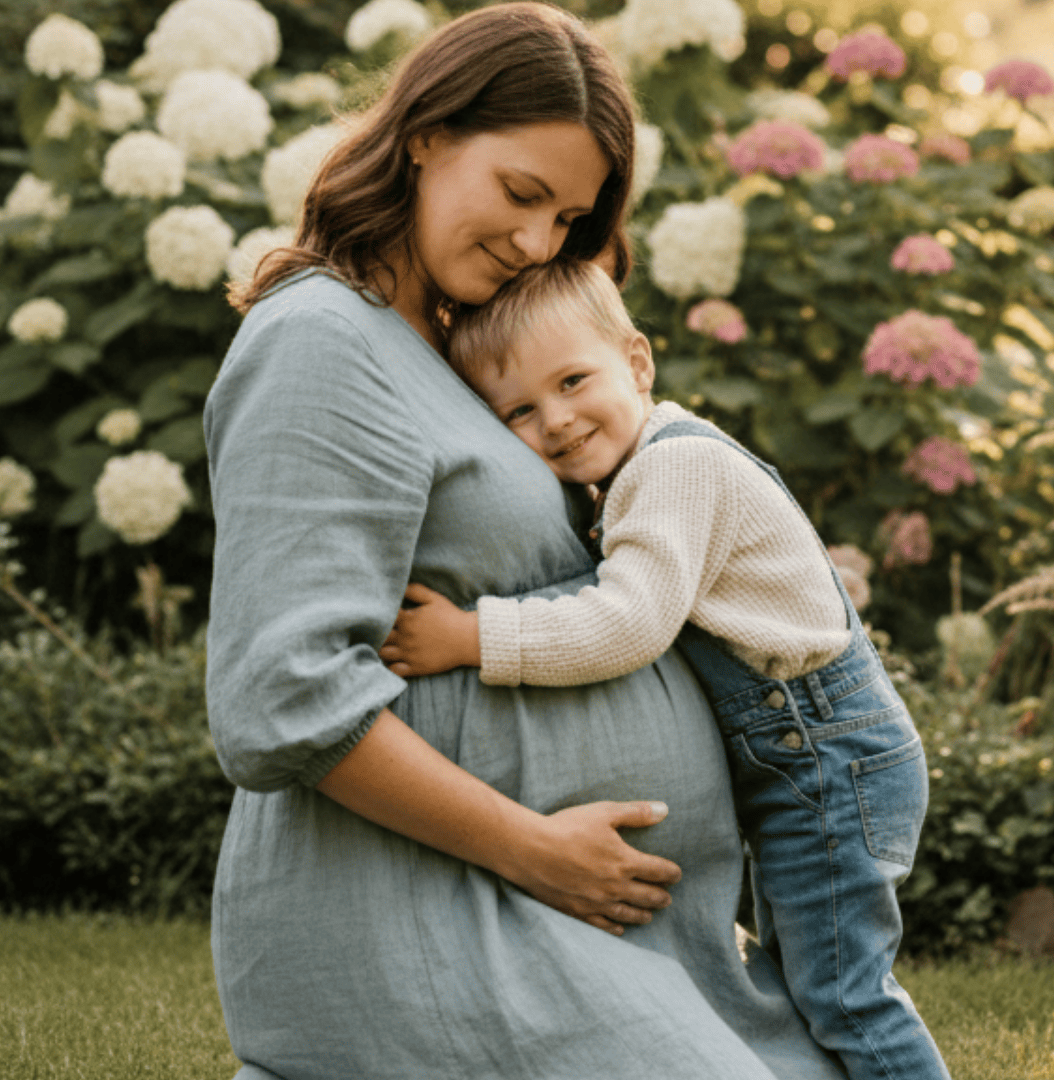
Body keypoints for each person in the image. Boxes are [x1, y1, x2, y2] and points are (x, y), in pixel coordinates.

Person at [203, 5, 847, 1078]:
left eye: (569, 220)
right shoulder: (319, 343)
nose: (538, 242)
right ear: (426, 134)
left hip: (590, 923)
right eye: (520, 193)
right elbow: (281, 700)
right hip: (441, 911)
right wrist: (533, 850)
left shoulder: (452, 346)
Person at [380, 260, 950, 1080]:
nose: (559, 420)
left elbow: (627, 623)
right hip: (806, 759)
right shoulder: (636, 466)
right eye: (520, 411)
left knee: (846, 995)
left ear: (638, 363)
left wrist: (472, 637)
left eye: (574, 380)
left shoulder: (674, 468)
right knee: (814, 985)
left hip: (827, 759)